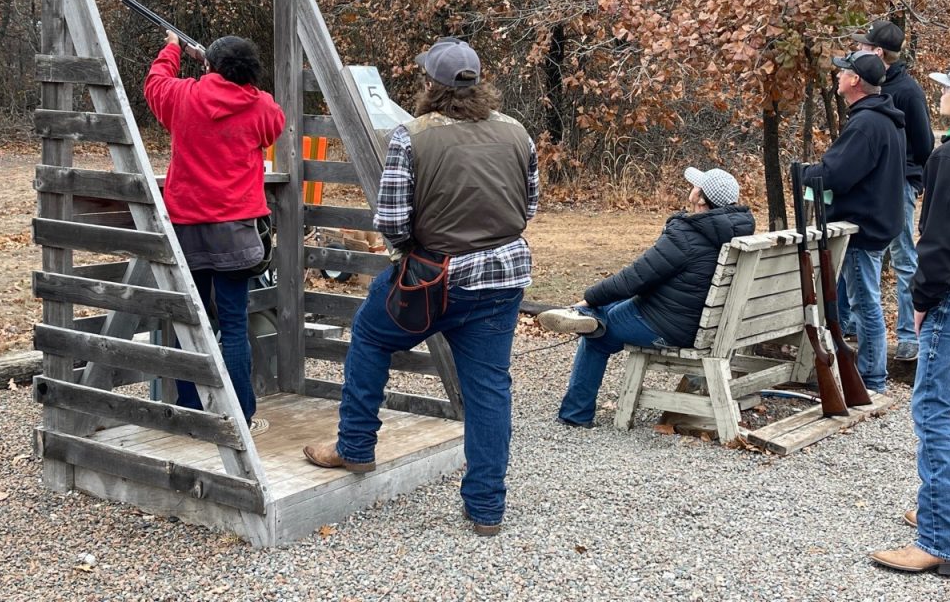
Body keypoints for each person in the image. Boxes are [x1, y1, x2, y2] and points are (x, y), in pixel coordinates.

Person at [302, 36, 539, 537]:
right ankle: (486, 509)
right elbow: (529, 206)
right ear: (479, 84)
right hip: (503, 277)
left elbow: (390, 222)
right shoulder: (518, 132)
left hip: (433, 278)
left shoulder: (413, 136)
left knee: (369, 336)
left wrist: (416, 246)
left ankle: (356, 446)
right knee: (489, 389)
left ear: (431, 85)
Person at [872, 58, 950, 576]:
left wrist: (923, 300)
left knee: (932, 412)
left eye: (949, 90)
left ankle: (939, 540)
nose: (942, 96)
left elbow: (943, 240)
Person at [144, 31, 285, 432]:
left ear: (208, 66)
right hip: (238, 234)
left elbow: (154, 83)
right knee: (235, 326)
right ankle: (241, 414)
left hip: (187, 230)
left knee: (191, 323)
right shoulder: (259, 105)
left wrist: (172, 47)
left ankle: (190, 407)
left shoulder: (185, 96)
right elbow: (274, 123)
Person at [538, 167, 755, 428]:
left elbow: (633, 279)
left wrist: (587, 298)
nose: (692, 188)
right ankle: (584, 315)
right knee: (607, 310)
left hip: (668, 324)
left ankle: (575, 414)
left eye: (697, 187)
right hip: (705, 322)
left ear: (700, 198)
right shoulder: (740, 231)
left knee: (596, 336)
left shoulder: (687, 236)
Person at [802, 51, 905, 393]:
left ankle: (872, 381)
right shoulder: (881, 118)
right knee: (862, 301)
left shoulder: (866, 124)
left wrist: (804, 173)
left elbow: (837, 174)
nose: (838, 76)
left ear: (855, 80)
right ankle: (867, 377)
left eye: (844, 71)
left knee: (865, 304)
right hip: (875, 222)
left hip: (862, 228)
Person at [848, 20, 934, 362]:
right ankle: (858, 327)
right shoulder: (870, 85)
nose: (858, 49)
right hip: (871, 184)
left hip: (898, 184)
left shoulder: (908, 90)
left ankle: (909, 337)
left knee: (903, 258)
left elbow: (925, 145)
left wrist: (909, 181)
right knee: (861, 253)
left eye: (865, 46)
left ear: (878, 52)